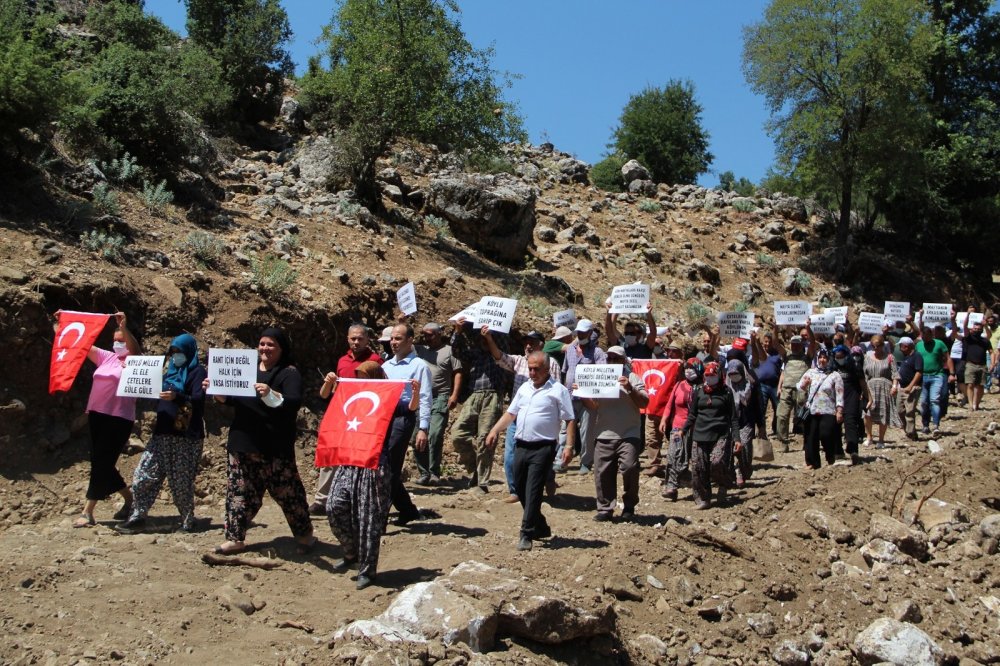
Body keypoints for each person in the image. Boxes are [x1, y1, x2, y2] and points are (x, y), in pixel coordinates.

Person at [212, 328, 316, 555]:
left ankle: (305, 536)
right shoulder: (246, 369)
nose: (265, 349)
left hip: (275, 446)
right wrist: (218, 393)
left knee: (289, 493)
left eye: (271, 345)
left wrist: (270, 393)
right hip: (242, 443)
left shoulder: (289, 374)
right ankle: (235, 538)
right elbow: (232, 398)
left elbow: (292, 402)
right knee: (238, 493)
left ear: (281, 349)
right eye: (262, 344)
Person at [324, 361, 420, 590]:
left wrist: (415, 392)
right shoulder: (351, 395)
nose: (360, 380)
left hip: (374, 462)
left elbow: (409, 408)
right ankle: (351, 553)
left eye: (365, 376)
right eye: (357, 376)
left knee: (369, 519)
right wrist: (329, 384)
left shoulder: (387, 398)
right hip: (349, 460)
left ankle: (368, 569)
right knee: (334, 506)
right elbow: (326, 397)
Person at [485, 352, 575, 551]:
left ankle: (526, 533)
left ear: (547, 369)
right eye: (530, 368)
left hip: (543, 447)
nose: (532, 372)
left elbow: (569, 418)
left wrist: (568, 446)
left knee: (533, 489)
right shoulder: (524, 388)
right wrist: (494, 430)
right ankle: (540, 525)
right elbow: (511, 413)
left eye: (536, 369)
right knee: (520, 486)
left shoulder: (558, 391)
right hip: (522, 445)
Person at [117, 334, 207, 533]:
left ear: (189, 352)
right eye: (173, 352)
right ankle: (137, 516)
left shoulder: (197, 372)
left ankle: (187, 521)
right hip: (161, 434)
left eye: (180, 352)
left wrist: (178, 397)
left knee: (181, 483)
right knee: (143, 475)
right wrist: (132, 374)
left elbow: (198, 400)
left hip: (185, 438)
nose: (176, 356)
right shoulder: (168, 373)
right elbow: (151, 391)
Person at [70, 312, 141, 528]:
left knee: (102, 461)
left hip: (119, 417)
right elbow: (78, 343)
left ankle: (88, 511)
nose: (117, 344)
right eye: (115, 340)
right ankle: (130, 499)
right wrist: (62, 322)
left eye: (121, 341)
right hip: (96, 415)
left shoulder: (136, 361)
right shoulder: (106, 357)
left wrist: (125, 327)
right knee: (101, 461)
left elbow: (135, 348)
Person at [311, 323, 384, 515]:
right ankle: (321, 500)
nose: (356, 342)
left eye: (360, 338)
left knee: (357, 459)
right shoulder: (342, 361)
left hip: (365, 418)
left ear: (368, 340)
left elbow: (381, 391)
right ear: (347, 339)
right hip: (342, 415)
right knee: (331, 454)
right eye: (353, 338)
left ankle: (352, 501)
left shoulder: (375, 361)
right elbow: (337, 391)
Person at [483, 329, 560, 502]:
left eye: (532, 342)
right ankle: (515, 490)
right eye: (526, 342)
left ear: (541, 345)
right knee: (510, 456)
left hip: (542, 419)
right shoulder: (518, 361)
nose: (528, 345)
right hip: (517, 417)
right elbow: (499, 356)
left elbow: (557, 393)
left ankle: (548, 478)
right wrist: (489, 339)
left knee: (543, 457)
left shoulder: (551, 363)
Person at [449, 321, 511, 492]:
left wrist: (490, 337)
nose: (481, 340)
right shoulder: (476, 353)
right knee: (458, 433)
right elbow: (456, 352)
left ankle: (482, 481)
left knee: (486, 438)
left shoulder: (500, 349)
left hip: (492, 394)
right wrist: (458, 331)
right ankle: (474, 469)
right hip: (474, 394)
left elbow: (501, 348)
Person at [589, 345, 649, 522]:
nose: (612, 361)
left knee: (630, 467)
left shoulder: (633, 378)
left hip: (628, 433)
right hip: (604, 432)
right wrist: (583, 393)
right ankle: (605, 508)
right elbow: (593, 405)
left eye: (616, 358)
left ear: (623, 361)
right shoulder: (600, 378)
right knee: (602, 472)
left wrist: (630, 388)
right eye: (610, 358)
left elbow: (644, 402)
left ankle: (629, 505)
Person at [382, 324, 433, 525]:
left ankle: (380, 515)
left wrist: (423, 428)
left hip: (403, 419)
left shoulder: (419, 366)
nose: (393, 343)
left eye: (398, 339)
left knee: (391, 467)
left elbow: (425, 397)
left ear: (410, 340)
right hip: (384, 419)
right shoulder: (386, 366)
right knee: (385, 465)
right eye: (392, 339)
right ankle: (407, 509)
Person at [682, 361, 739, 509]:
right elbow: (692, 414)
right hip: (700, 434)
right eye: (707, 375)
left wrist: (737, 439)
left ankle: (724, 483)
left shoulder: (726, 392)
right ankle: (703, 498)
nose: (709, 378)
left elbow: (733, 417)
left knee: (716, 463)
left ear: (719, 375)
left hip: (720, 434)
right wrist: (683, 430)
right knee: (699, 467)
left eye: (712, 376)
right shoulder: (699, 391)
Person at [413, 322, 463, 485]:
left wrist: (454, 394)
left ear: (439, 334)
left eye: (430, 334)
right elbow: (403, 343)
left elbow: (457, 372)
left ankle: (434, 472)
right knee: (417, 435)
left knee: (434, 434)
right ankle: (423, 472)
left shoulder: (449, 350)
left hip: (440, 396)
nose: (427, 338)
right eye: (425, 335)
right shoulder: (420, 350)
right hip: (420, 397)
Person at [558, 319, 607, 473]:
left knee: (586, 431)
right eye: (579, 332)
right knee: (565, 430)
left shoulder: (597, 353)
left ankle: (585, 462)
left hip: (588, 399)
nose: (581, 335)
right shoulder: (571, 349)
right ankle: (561, 460)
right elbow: (565, 371)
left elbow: (601, 375)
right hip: (570, 396)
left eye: (584, 332)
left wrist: (586, 387)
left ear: (590, 333)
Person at [660, 358, 701, 501]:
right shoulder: (679, 385)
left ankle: (698, 489)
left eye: (692, 368)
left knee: (696, 460)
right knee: (673, 456)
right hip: (678, 427)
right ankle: (671, 487)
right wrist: (664, 419)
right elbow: (670, 404)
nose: (689, 370)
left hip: (697, 429)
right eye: (687, 367)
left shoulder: (702, 387)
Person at [797, 349, 844, 470]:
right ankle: (812, 462)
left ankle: (830, 456)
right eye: (820, 357)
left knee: (826, 434)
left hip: (828, 410)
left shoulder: (835, 375)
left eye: (825, 358)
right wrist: (805, 384)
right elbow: (799, 386)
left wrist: (839, 410)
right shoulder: (811, 372)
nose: (822, 360)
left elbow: (839, 394)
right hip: (812, 410)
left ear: (829, 360)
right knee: (810, 437)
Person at [726, 359, 764, 487]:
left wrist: (761, 425)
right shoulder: (726, 388)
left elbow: (758, 406)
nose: (734, 376)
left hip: (747, 421)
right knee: (733, 449)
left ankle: (745, 469)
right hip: (731, 423)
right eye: (731, 374)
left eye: (736, 373)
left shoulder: (751, 386)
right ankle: (737, 473)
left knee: (745, 448)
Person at [862, 336, 900, 451]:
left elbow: (895, 374)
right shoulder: (867, 358)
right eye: (873, 346)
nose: (875, 348)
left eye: (878, 346)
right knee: (868, 413)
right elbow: (864, 374)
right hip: (870, 387)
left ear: (883, 345)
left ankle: (881, 439)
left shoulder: (889, 357)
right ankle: (869, 436)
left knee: (883, 412)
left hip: (884, 387)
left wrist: (894, 386)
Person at [833, 343, 868, 463]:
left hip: (851, 397)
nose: (839, 359)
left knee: (850, 423)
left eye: (841, 356)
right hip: (836, 399)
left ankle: (853, 451)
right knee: (835, 424)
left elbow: (863, 383)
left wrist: (867, 397)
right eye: (837, 357)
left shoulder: (855, 367)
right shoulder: (832, 368)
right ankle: (837, 451)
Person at [775, 335, 810, 453]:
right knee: (781, 416)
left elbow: (813, 344)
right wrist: (775, 327)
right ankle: (784, 443)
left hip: (802, 391)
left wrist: (808, 328)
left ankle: (808, 442)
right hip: (786, 390)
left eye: (797, 344)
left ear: (802, 345)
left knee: (805, 418)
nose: (795, 346)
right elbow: (775, 343)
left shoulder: (807, 357)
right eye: (793, 344)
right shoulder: (786, 356)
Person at [916, 326, 951, 437]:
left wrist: (952, 373)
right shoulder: (918, 345)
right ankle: (925, 424)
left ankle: (936, 425)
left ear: (931, 335)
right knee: (924, 402)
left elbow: (947, 357)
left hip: (937, 375)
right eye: (923, 337)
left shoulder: (939, 344)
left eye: (927, 337)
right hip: (923, 376)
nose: (925, 339)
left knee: (934, 400)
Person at [750, 331, 784, 437]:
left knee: (778, 408)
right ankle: (761, 431)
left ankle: (777, 429)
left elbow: (782, 370)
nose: (767, 344)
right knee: (761, 408)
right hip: (762, 385)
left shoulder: (777, 355)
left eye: (769, 342)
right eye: (765, 342)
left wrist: (780, 386)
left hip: (774, 385)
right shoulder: (757, 354)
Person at [959, 308, 992, 411]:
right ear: (972, 329)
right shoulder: (969, 338)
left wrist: (992, 363)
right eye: (975, 328)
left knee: (980, 386)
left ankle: (976, 404)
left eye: (979, 329)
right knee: (970, 384)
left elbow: (990, 346)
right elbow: (964, 327)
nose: (977, 330)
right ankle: (970, 405)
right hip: (970, 364)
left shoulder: (984, 341)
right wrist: (968, 315)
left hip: (982, 365)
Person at [896, 337, 924, 440]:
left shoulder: (917, 356)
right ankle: (907, 431)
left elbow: (919, 372)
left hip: (911, 388)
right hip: (902, 388)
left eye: (901, 346)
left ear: (906, 346)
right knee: (900, 410)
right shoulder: (907, 357)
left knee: (909, 411)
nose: (899, 349)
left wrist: (910, 386)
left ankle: (911, 433)